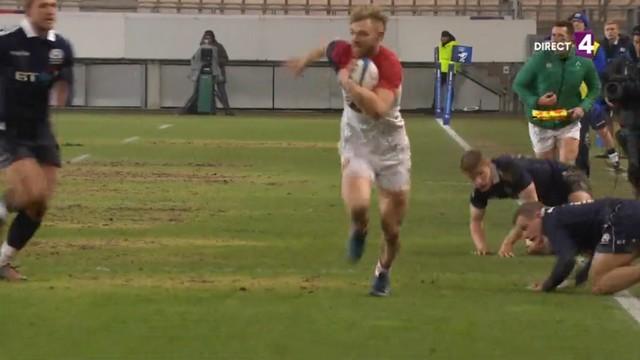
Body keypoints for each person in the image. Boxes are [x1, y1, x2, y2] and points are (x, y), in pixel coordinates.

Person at [287, 5, 411, 296]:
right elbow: (325, 48)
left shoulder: (390, 65)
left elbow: (379, 109)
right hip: (356, 143)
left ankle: (383, 272)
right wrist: (304, 61)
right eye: (352, 32)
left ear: (379, 34)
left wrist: (348, 83)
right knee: (358, 206)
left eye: (363, 34)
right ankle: (359, 229)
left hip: (392, 149)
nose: (354, 39)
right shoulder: (343, 51)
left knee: (392, 229)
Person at [0, 0, 74, 281]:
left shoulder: (61, 46)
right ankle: (4, 205)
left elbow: (64, 80)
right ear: (27, 9)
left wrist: (63, 92)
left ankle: (3, 260)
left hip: (42, 130)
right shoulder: (7, 43)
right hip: (9, 128)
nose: (50, 10)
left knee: (39, 205)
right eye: (43, 5)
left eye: (54, 5)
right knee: (34, 192)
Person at [460, 150, 592, 257]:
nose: (478, 181)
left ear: (488, 164)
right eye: (473, 178)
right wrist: (481, 247)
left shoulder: (509, 169)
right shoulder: (480, 190)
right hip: (547, 197)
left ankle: (597, 237)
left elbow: (532, 210)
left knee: (582, 209)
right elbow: (475, 220)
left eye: (481, 174)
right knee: (538, 248)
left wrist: (509, 242)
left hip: (565, 176)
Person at [513, 21, 600, 165]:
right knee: (546, 170)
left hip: (568, 121)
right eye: (553, 35)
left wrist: (583, 107)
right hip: (540, 122)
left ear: (571, 38)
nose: (556, 40)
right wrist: (537, 101)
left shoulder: (584, 61)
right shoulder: (539, 58)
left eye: (561, 36)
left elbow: (594, 88)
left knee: (566, 167)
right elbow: (519, 85)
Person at [514, 198, 640, 294]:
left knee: (598, 283)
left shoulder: (550, 221)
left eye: (525, 228)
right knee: (603, 271)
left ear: (538, 216)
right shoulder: (562, 216)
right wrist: (575, 281)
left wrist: (546, 285)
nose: (525, 235)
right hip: (627, 211)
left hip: (622, 216)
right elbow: (590, 260)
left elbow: (567, 260)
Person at [569, 12, 621, 174]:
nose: (576, 24)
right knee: (578, 135)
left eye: (579, 22)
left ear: (585, 25)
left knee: (601, 130)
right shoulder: (563, 42)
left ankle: (612, 156)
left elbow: (595, 71)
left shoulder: (587, 43)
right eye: (574, 22)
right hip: (571, 98)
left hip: (587, 98)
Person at [206, 30, 233, 116]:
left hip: (219, 73)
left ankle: (227, 109)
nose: (207, 39)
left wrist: (216, 61)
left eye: (209, 37)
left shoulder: (219, 47)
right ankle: (211, 110)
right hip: (207, 73)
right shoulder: (202, 47)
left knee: (222, 92)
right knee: (208, 92)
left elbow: (226, 59)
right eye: (206, 37)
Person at [436, 30, 459, 107]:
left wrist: (456, 68)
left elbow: (457, 57)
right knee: (437, 88)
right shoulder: (440, 45)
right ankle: (436, 106)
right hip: (441, 69)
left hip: (450, 69)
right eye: (442, 37)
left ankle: (448, 106)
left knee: (449, 89)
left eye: (444, 37)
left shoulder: (454, 45)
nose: (442, 38)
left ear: (448, 37)